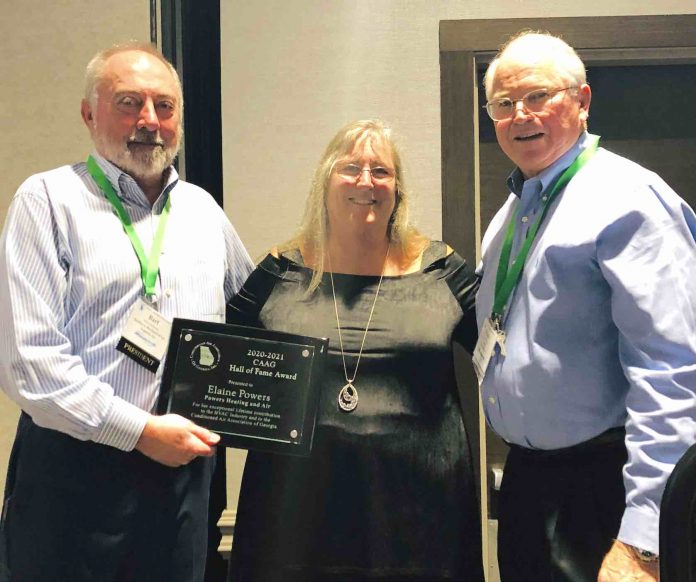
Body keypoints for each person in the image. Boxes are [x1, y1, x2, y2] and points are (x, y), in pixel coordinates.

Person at [0, 42, 253, 582]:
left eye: (164, 106)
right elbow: (31, 364)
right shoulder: (45, 201)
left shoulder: (202, 211)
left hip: (182, 476)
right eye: (128, 103)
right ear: (89, 114)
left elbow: (256, 316)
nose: (149, 121)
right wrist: (139, 431)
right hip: (75, 470)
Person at [475, 30, 696, 582]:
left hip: (606, 488)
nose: (520, 114)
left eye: (537, 96)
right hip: (527, 484)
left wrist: (645, 542)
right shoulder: (509, 216)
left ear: (582, 100)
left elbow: (672, 371)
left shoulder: (629, 200)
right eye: (504, 103)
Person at [226, 119, 484, 582]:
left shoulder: (442, 271)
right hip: (295, 518)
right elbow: (215, 361)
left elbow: (509, 351)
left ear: (397, 189)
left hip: (423, 518)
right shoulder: (279, 271)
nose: (366, 181)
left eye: (381, 171)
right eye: (351, 168)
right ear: (324, 181)